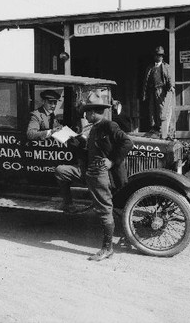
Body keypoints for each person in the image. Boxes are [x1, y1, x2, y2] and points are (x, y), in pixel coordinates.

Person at [55, 96, 133, 261]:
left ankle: (107, 249)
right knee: (61, 171)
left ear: (93, 113)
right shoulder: (94, 127)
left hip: (99, 174)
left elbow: (127, 143)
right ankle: (68, 204)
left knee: (104, 211)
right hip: (88, 171)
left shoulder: (109, 126)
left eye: (86, 113)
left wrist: (112, 161)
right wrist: (74, 144)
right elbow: (90, 151)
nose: (85, 116)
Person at [142, 45, 175, 139]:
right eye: (157, 55)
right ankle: (154, 127)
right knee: (152, 108)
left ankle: (162, 128)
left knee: (162, 108)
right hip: (152, 90)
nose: (159, 57)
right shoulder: (150, 67)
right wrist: (144, 93)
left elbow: (169, 78)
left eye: (161, 55)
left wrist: (171, 86)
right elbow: (146, 81)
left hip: (162, 90)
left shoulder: (166, 66)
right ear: (154, 56)